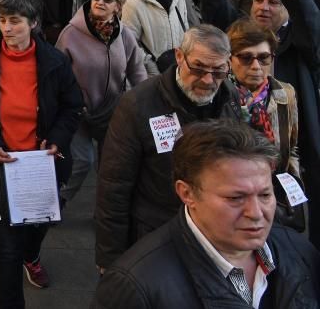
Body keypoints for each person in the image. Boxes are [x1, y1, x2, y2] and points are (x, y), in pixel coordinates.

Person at [93, 119, 320, 308]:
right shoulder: (135, 286)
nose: (256, 213)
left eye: (265, 195)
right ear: (187, 193)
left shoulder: (299, 251)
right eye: (235, 198)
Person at [0, 0, 84, 306]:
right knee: (7, 247)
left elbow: (72, 106)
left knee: (39, 225)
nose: (7, 28)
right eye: (2, 20)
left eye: (15, 21)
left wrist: (56, 138)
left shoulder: (54, 61)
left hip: (42, 167)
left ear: (34, 22)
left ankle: (32, 253)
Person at [197, 0, 320, 245]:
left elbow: (314, 32)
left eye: (273, 2)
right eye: (258, 1)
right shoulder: (236, 36)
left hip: (288, 161)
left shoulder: (299, 45)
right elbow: (218, 14)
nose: (264, 7)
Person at [94, 25, 241, 271]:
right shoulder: (137, 105)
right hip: (157, 237)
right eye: (198, 68)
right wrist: (110, 258)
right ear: (179, 56)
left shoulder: (230, 98)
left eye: (218, 71)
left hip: (215, 236)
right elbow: (114, 186)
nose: (208, 80)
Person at [56, 0, 147, 205]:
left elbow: (137, 70)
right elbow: (57, 75)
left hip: (112, 112)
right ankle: (57, 201)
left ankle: (105, 211)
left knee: (110, 165)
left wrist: (145, 101)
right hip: (78, 111)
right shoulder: (70, 33)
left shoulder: (124, 34)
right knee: (82, 161)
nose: (99, 2)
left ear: (118, 6)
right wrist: (70, 102)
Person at [226, 20, 299, 180]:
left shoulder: (285, 93)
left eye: (263, 58)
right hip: (232, 183)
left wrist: (295, 182)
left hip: (274, 184)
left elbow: (291, 148)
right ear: (230, 59)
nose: (256, 66)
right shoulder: (219, 94)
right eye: (246, 58)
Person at [121, 0, 189, 76]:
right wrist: (150, 66)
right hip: (152, 74)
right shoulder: (133, 4)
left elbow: (185, 33)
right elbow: (129, 43)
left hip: (179, 68)